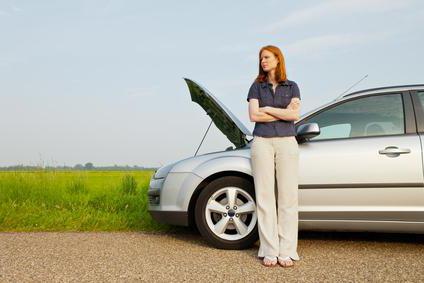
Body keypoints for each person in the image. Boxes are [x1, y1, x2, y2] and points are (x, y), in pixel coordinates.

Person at [247, 45, 301, 267]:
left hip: (287, 143)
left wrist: (267, 110)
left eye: (267, 57)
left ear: (278, 59)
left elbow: (295, 115)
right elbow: (253, 116)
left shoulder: (292, 86)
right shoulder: (256, 86)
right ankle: (269, 249)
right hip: (262, 143)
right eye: (261, 58)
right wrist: (281, 112)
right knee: (265, 197)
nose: (263, 61)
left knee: (288, 198)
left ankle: (287, 250)